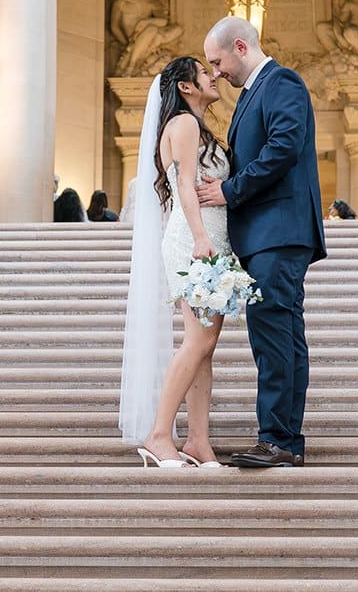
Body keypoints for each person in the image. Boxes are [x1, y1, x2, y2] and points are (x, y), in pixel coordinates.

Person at [196, 17, 327, 468]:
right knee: (277, 335)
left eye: (217, 62)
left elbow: (284, 146)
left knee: (276, 336)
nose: (215, 73)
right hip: (266, 234)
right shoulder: (253, 94)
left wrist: (229, 190)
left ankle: (279, 439)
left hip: (280, 230)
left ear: (240, 46)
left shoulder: (281, 82)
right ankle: (282, 437)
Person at [120, 56, 231, 468]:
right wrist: (202, 238)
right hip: (194, 240)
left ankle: (198, 441)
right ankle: (159, 434)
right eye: (205, 72)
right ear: (186, 87)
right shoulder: (183, 124)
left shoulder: (198, 126)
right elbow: (185, 182)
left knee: (206, 345)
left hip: (212, 238)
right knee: (198, 341)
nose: (213, 76)